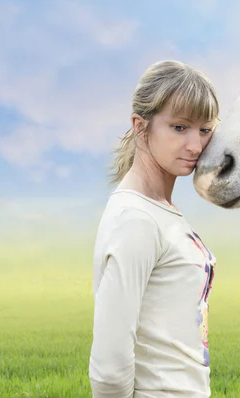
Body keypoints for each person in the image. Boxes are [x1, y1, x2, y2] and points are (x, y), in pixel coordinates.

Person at [88, 60, 220, 398]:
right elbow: (109, 368)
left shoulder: (160, 211)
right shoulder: (136, 219)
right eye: (179, 127)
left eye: (205, 130)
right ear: (140, 126)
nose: (195, 145)